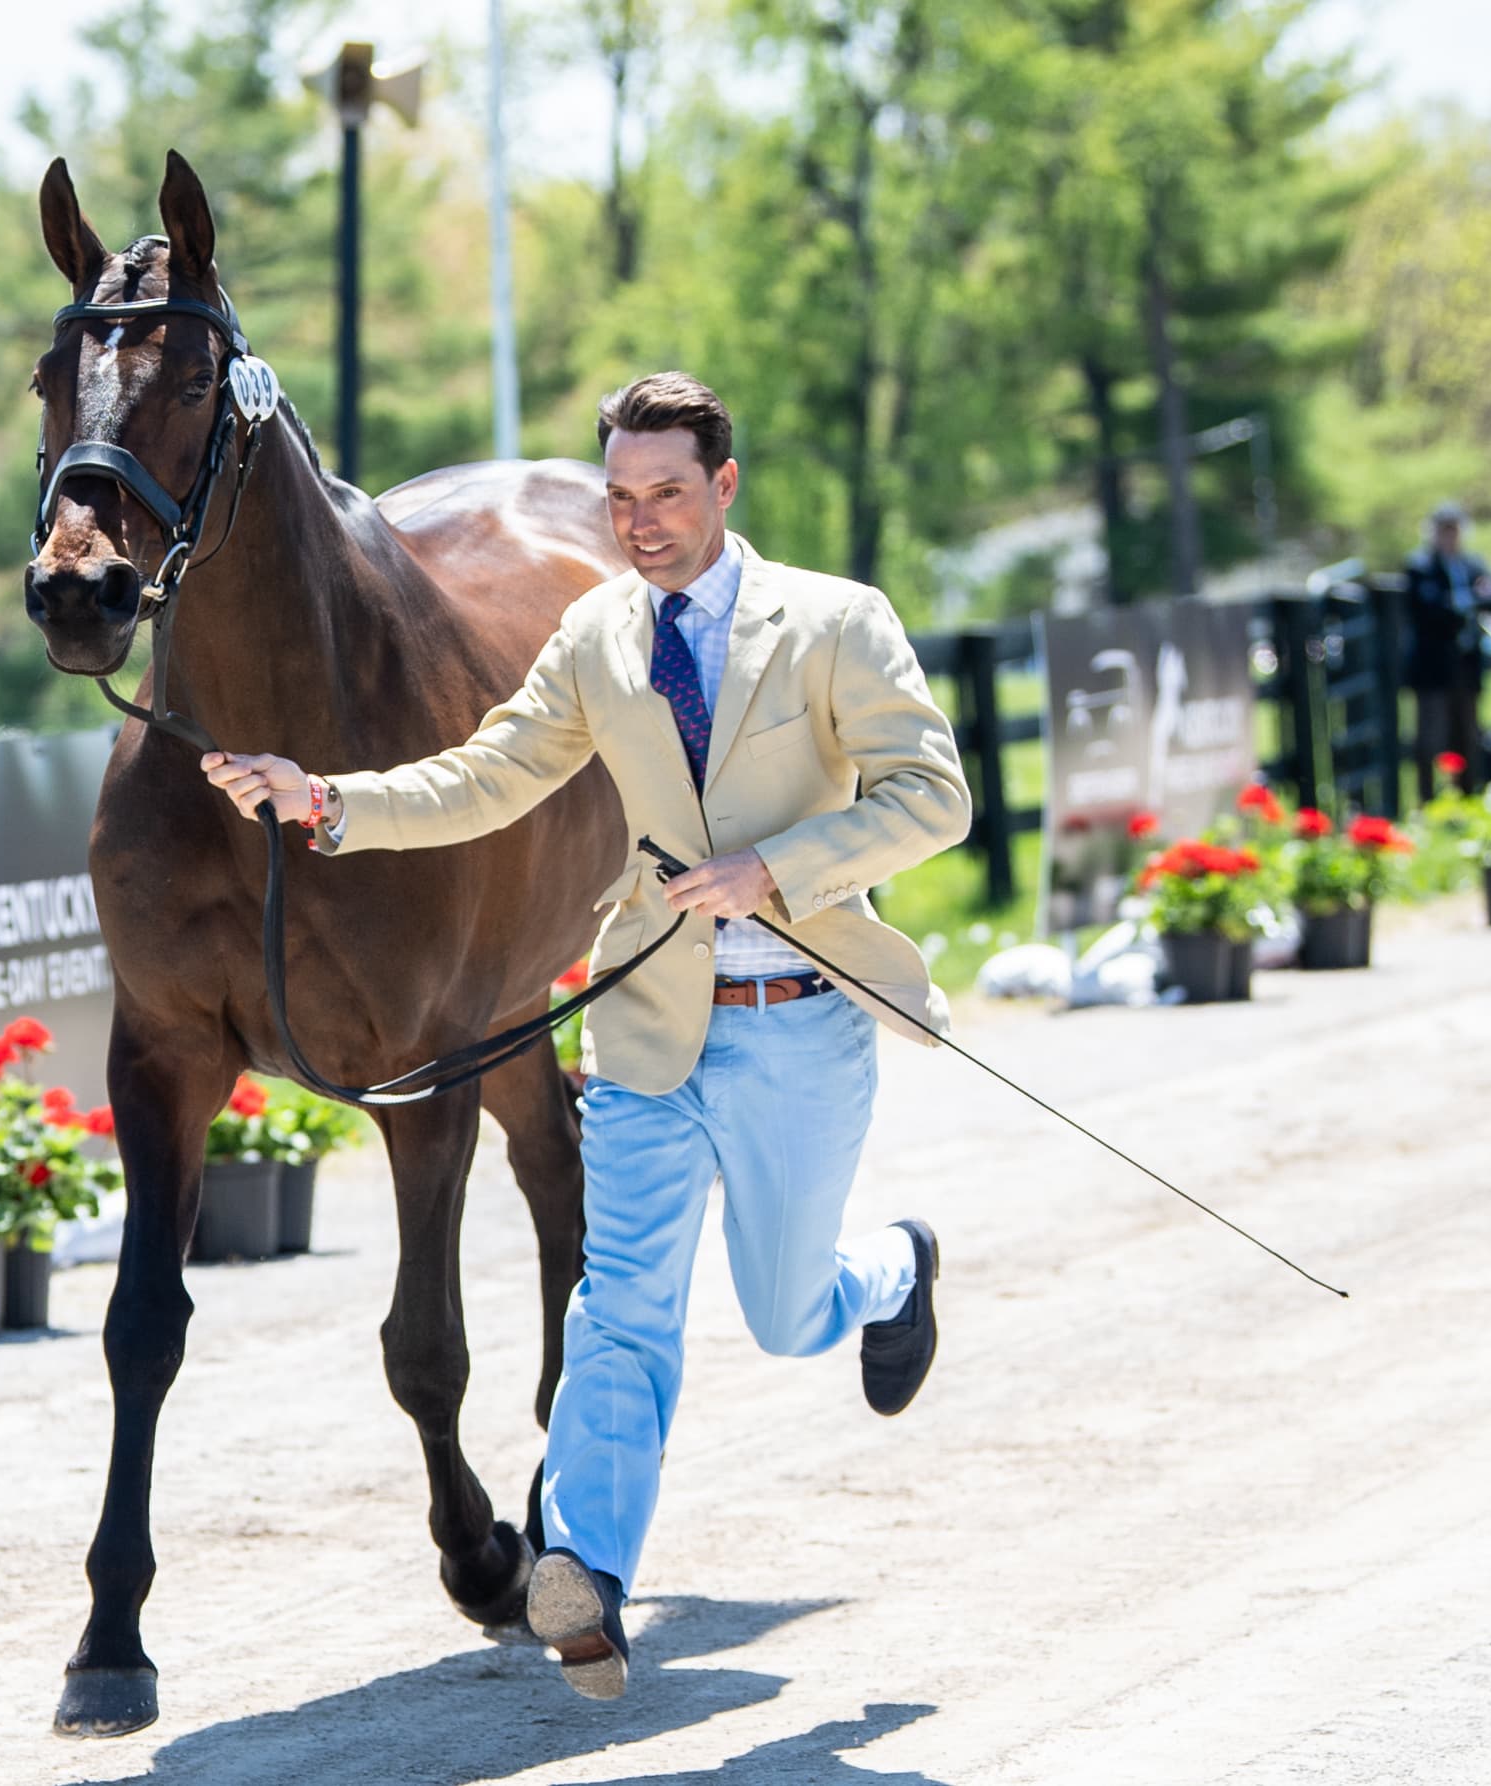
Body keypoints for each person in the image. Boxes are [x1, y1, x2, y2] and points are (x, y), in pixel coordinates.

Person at [200, 371, 971, 1703]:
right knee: (621, 1309)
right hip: (645, 1030)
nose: (642, 520)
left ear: (724, 488)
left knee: (788, 1314)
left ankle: (889, 1270)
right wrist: (327, 799)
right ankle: (588, 1571)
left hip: (797, 1025)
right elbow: (488, 772)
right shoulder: (598, 636)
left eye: (668, 492)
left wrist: (778, 865)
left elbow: (934, 793)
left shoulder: (838, 623)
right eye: (620, 495)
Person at [1403, 501, 1491, 799]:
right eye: (1444, 531)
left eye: (1453, 530)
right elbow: (1431, 608)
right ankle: (1428, 800)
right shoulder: (1421, 566)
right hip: (1434, 667)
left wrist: (1470, 602)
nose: (1449, 537)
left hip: (1465, 665)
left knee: (1467, 734)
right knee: (1431, 738)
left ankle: (1468, 795)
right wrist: (1469, 602)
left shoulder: (1471, 564)